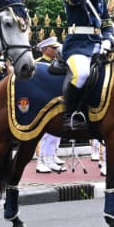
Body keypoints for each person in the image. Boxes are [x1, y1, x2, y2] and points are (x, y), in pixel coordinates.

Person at [61, 0, 114, 135]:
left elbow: (107, 23)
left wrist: (108, 40)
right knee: (82, 74)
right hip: (77, 46)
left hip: (98, 45)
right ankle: (69, 115)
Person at [34, 36, 65, 173]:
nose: (56, 50)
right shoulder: (37, 64)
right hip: (42, 102)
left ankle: (50, 158)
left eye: (57, 48)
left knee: (54, 132)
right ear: (44, 49)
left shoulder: (57, 63)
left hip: (55, 100)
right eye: (53, 48)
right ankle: (40, 161)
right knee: (43, 134)